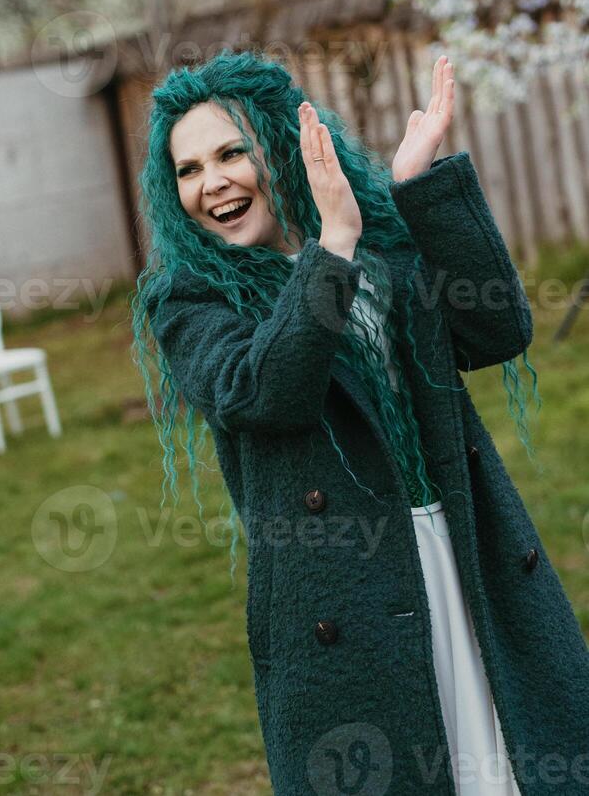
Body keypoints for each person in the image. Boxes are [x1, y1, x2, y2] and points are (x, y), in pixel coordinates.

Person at [132, 48, 589, 796]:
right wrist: (330, 246)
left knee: (515, 766)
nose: (211, 183)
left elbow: (498, 331)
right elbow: (265, 392)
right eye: (187, 169)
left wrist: (418, 193)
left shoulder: (381, 247)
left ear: (282, 145)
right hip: (346, 591)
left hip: (463, 549)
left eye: (230, 153)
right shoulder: (191, 299)